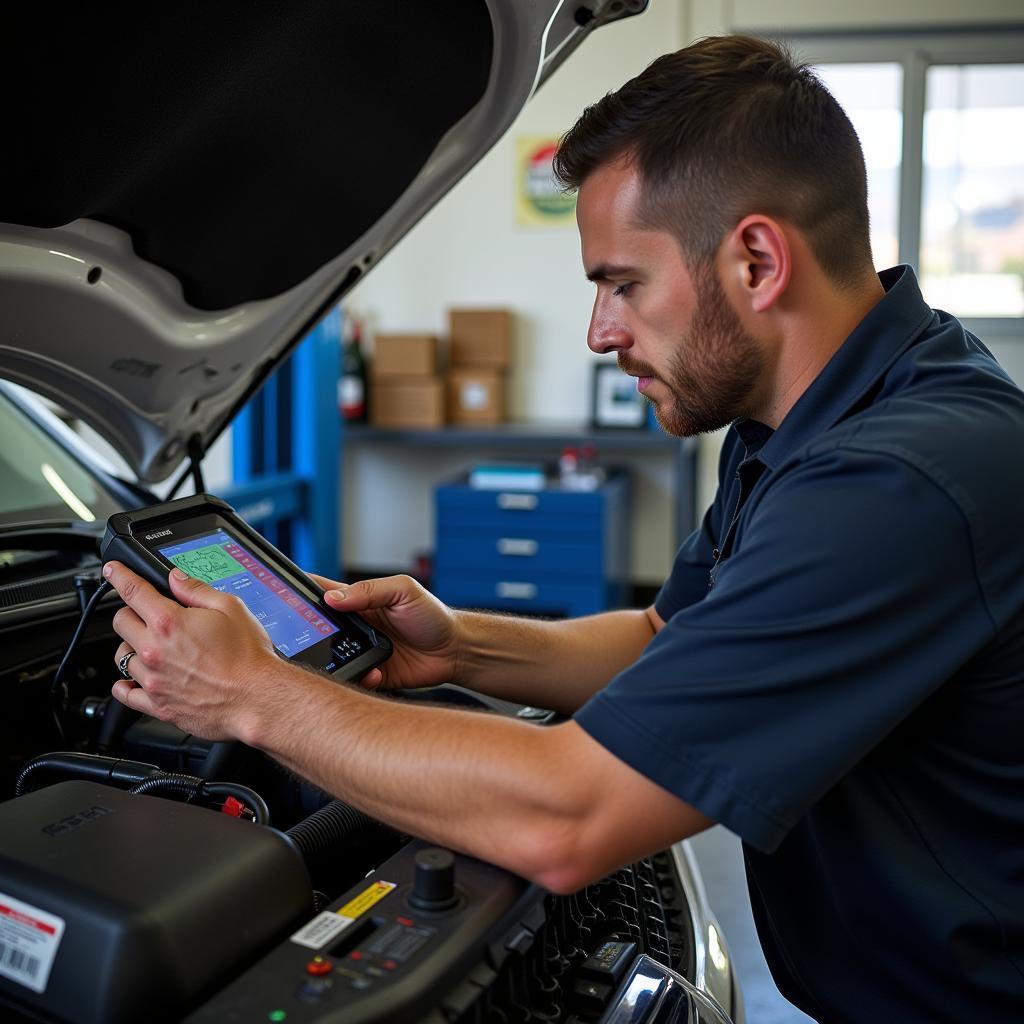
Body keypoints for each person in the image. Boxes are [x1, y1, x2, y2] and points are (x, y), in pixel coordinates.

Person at [102, 35, 1024, 1022]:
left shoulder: (895, 481)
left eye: (622, 282)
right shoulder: (812, 416)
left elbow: (568, 816)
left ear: (756, 259)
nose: (598, 330)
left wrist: (254, 696)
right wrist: (459, 645)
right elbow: (663, 641)